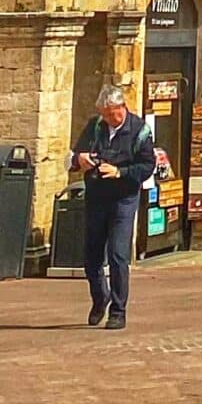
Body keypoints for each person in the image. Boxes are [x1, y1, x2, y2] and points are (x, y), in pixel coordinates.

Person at [69, 82, 157, 330]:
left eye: (113, 114)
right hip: (96, 197)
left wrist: (120, 172)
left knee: (118, 256)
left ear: (122, 107)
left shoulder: (139, 130)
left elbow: (148, 166)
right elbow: (72, 157)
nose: (109, 119)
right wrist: (80, 159)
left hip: (123, 199)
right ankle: (100, 299)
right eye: (105, 115)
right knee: (91, 258)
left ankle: (118, 311)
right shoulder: (95, 127)